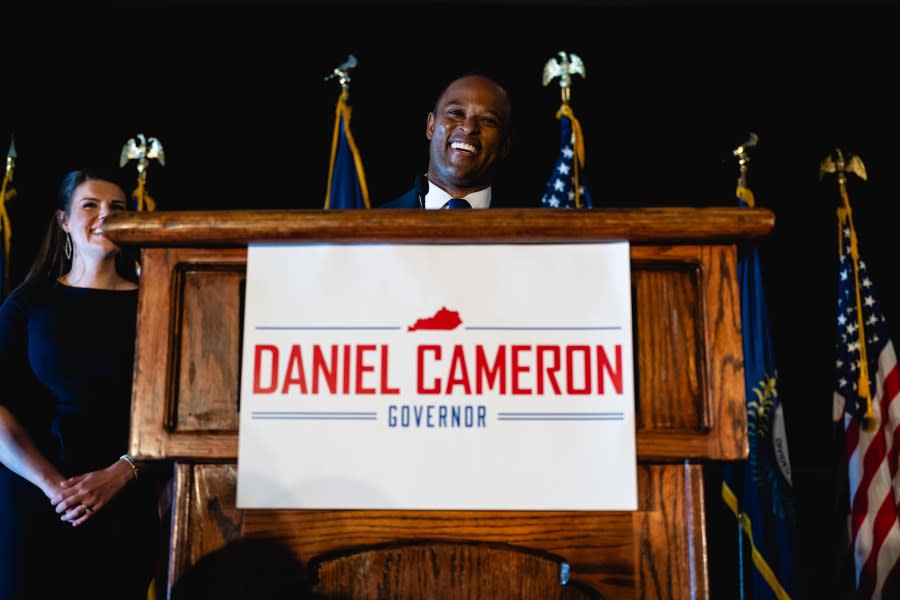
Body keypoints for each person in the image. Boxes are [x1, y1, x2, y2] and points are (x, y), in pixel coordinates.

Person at [0, 168, 161, 599]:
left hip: (125, 502)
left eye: (118, 208)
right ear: (64, 221)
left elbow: (177, 413)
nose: (105, 214)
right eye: (90, 205)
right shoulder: (28, 304)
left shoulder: (157, 306)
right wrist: (55, 488)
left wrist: (121, 473)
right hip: (35, 502)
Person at [378, 73, 515, 209]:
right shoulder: (370, 224)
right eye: (455, 113)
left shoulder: (531, 226)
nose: (469, 128)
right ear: (431, 126)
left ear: (505, 146)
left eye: (488, 120)